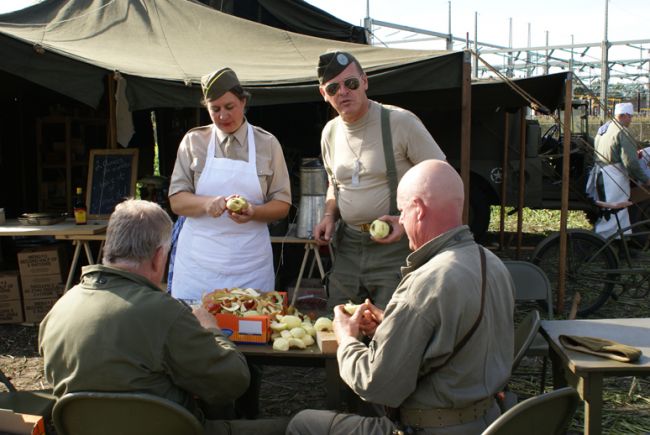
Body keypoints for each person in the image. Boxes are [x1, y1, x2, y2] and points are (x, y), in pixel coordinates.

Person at [288, 160, 515, 435]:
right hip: (489, 421)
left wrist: (347, 338)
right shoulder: (492, 263)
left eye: (403, 210)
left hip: (428, 426)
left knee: (302, 424)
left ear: (418, 210)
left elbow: (376, 386)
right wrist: (391, 324)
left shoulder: (424, 282)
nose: (401, 220)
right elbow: (451, 338)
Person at [39, 199, 287, 435]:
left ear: (109, 247)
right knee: (303, 424)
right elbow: (233, 381)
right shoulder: (166, 313)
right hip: (176, 429)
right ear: (159, 256)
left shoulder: (59, 310)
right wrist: (212, 330)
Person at [312, 50, 446, 310]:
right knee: (338, 322)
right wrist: (329, 216)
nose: (343, 92)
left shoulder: (400, 122)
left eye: (350, 83)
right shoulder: (330, 132)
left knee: (390, 328)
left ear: (364, 82)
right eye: (333, 87)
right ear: (323, 93)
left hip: (394, 248)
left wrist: (404, 222)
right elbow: (334, 184)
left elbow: (443, 179)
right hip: (348, 246)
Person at [169, 67, 291, 301]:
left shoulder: (267, 143)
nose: (223, 116)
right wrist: (206, 204)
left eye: (229, 107)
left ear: (243, 102)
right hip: (198, 265)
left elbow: (282, 204)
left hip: (250, 265)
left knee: (251, 330)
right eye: (215, 109)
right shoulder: (194, 141)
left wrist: (254, 211)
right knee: (195, 329)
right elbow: (176, 201)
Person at [587, 102, 650, 238]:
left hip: (600, 172)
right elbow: (631, 162)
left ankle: (622, 245)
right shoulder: (622, 131)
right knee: (616, 210)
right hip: (614, 176)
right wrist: (645, 180)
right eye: (630, 117)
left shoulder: (603, 129)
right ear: (625, 115)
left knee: (614, 210)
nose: (631, 120)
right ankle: (602, 242)